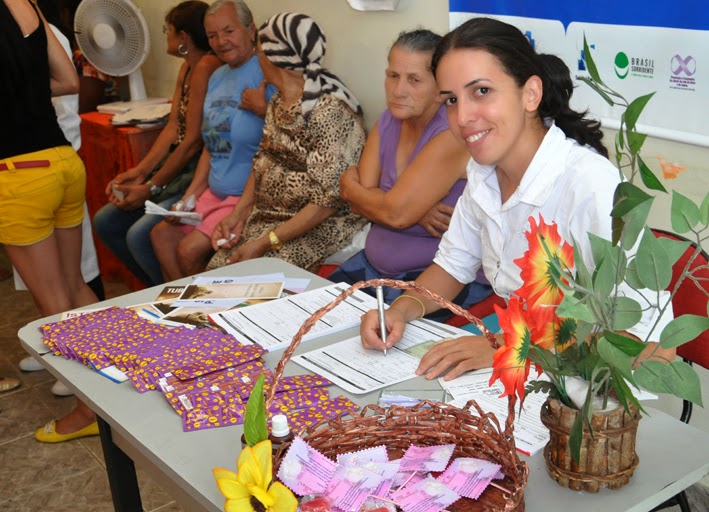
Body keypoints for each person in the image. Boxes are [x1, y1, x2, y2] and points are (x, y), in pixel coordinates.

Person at [359, 17, 675, 381]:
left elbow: (652, 344)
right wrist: (400, 310)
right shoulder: (483, 175)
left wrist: (512, 348)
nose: (461, 117)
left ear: (530, 93)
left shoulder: (591, 184)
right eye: (450, 99)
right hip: (526, 368)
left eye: (481, 91)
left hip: (593, 393)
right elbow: (451, 267)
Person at [331, 29, 492, 317]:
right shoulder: (389, 119)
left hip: (433, 280)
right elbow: (365, 206)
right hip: (372, 268)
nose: (398, 90)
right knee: (308, 321)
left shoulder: (452, 132)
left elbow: (382, 207)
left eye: (414, 80)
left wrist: (356, 190)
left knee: (372, 346)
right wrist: (413, 209)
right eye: (393, 76)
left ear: (441, 85)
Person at [0, 0, 98, 441]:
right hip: (61, 161)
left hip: (17, 175)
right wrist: (25, 92)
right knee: (76, 286)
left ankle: (88, 409)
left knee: (53, 303)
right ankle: (115, 387)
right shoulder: (25, 4)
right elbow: (69, 80)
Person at [205, 12, 367, 273]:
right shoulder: (279, 101)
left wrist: (266, 242)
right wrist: (237, 215)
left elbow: (328, 200)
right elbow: (262, 161)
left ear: (273, 57)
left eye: (260, 51)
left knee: (250, 279)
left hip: (318, 226)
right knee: (216, 274)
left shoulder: (327, 110)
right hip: (271, 218)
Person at [92, 1, 222, 287]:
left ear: (184, 37)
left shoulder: (207, 67)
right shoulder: (187, 69)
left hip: (195, 170)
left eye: (168, 30)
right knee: (106, 221)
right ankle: (159, 288)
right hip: (175, 165)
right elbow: (173, 127)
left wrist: (152, 187)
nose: (166, 35)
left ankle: (172, 295)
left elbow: (191, 142)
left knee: (139, 235)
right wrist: (140, 171)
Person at [150, 0, 277, 281]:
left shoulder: (267, 72)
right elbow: (212, 144)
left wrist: (264, 108)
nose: (221, 41)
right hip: (213, 192)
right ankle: (180, 312)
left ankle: (205, 315)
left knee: (187, 250)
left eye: (228, 31)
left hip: (246, 196)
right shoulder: (217, 75)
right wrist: (188, 198)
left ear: (250, 29)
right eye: (212, 36)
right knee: (161, 235)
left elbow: (285, 137)